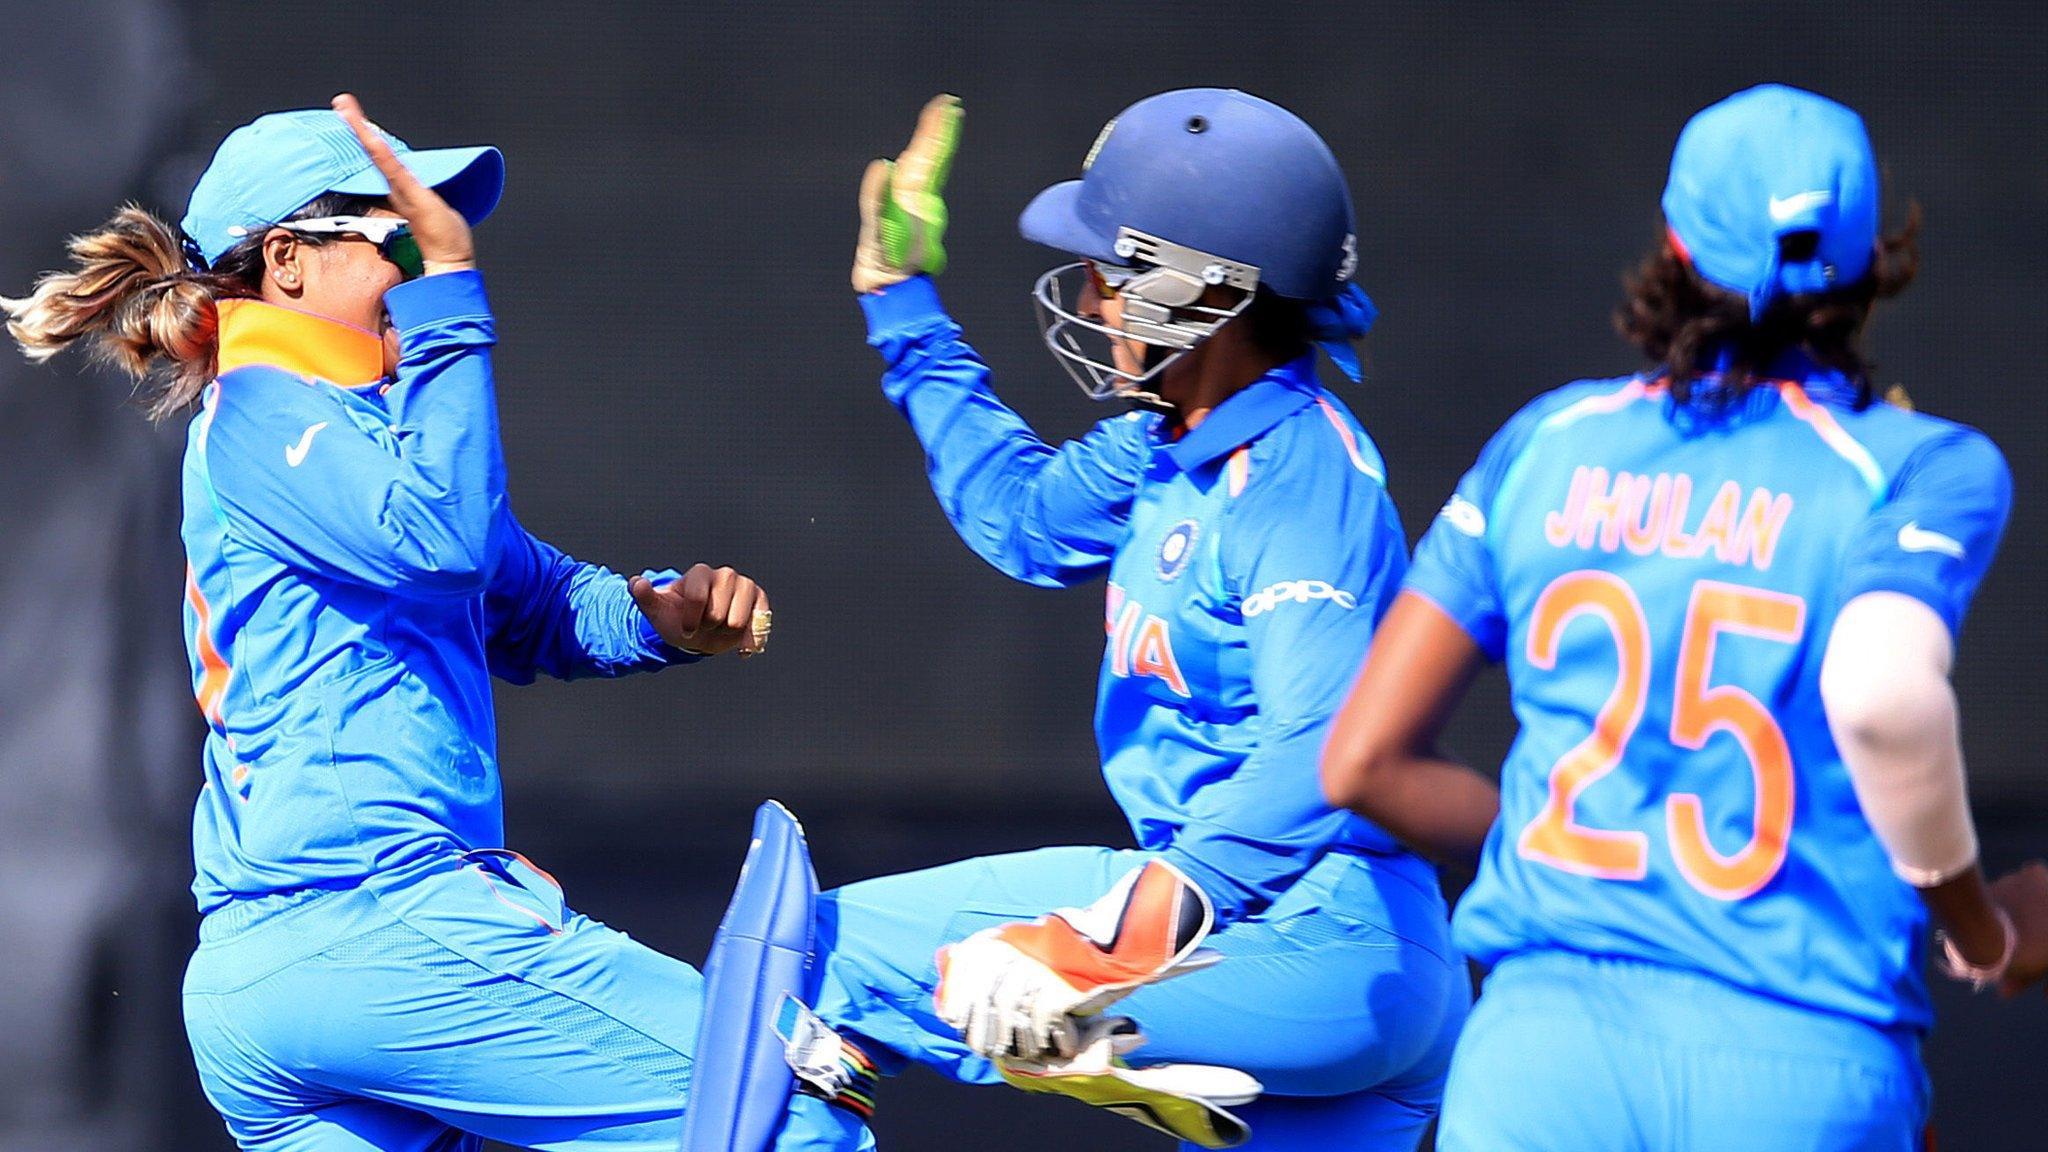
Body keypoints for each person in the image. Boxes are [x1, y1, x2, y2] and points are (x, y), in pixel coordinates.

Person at [2, 95, 873, 1152]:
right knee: (793, 1113)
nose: (421, 263)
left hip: (284, 976)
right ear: (285, 261)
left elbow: (526, 599)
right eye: (399, 237)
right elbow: (443, 548)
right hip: (376, 926)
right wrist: (456, 293)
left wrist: (655, 614)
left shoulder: (362, 425)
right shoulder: (268, 404)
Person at [1318, 83, 2027, 1151]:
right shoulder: (1919, 469)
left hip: (1537, 1062)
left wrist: (1591, 859)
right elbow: (1883, 691)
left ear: (1673, 244)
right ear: (1872, 262)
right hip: (1800, 1062)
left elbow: (1361, 762)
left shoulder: (1546, 443)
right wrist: (1989, 932)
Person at [814, 91, 1468, 1150]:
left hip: (1327, 946)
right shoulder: (1168, 441)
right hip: (1256, 929)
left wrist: (1113, 936)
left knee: (813, 954)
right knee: (824, 949)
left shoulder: (1298, 478)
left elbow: (1325, 749)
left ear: (1190, 293)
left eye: (1107, 270)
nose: (1089, 293)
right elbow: (1020, 520)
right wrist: (902, 305)